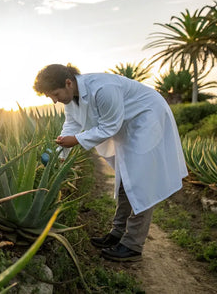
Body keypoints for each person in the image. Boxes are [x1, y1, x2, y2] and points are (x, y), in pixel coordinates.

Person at [33, 64, 188, 262]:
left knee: (141, 182)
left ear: (68, 83)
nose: (54, 101)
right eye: (50, 97)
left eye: (55, 94)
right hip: (128, 125)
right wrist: (60, 151)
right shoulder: (71, 98)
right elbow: (71, 125)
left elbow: (109, 127)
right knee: (126, 177)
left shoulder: (103, 89)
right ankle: (117, 232)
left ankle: (133, 245)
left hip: (148, 118)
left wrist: (77, 140)